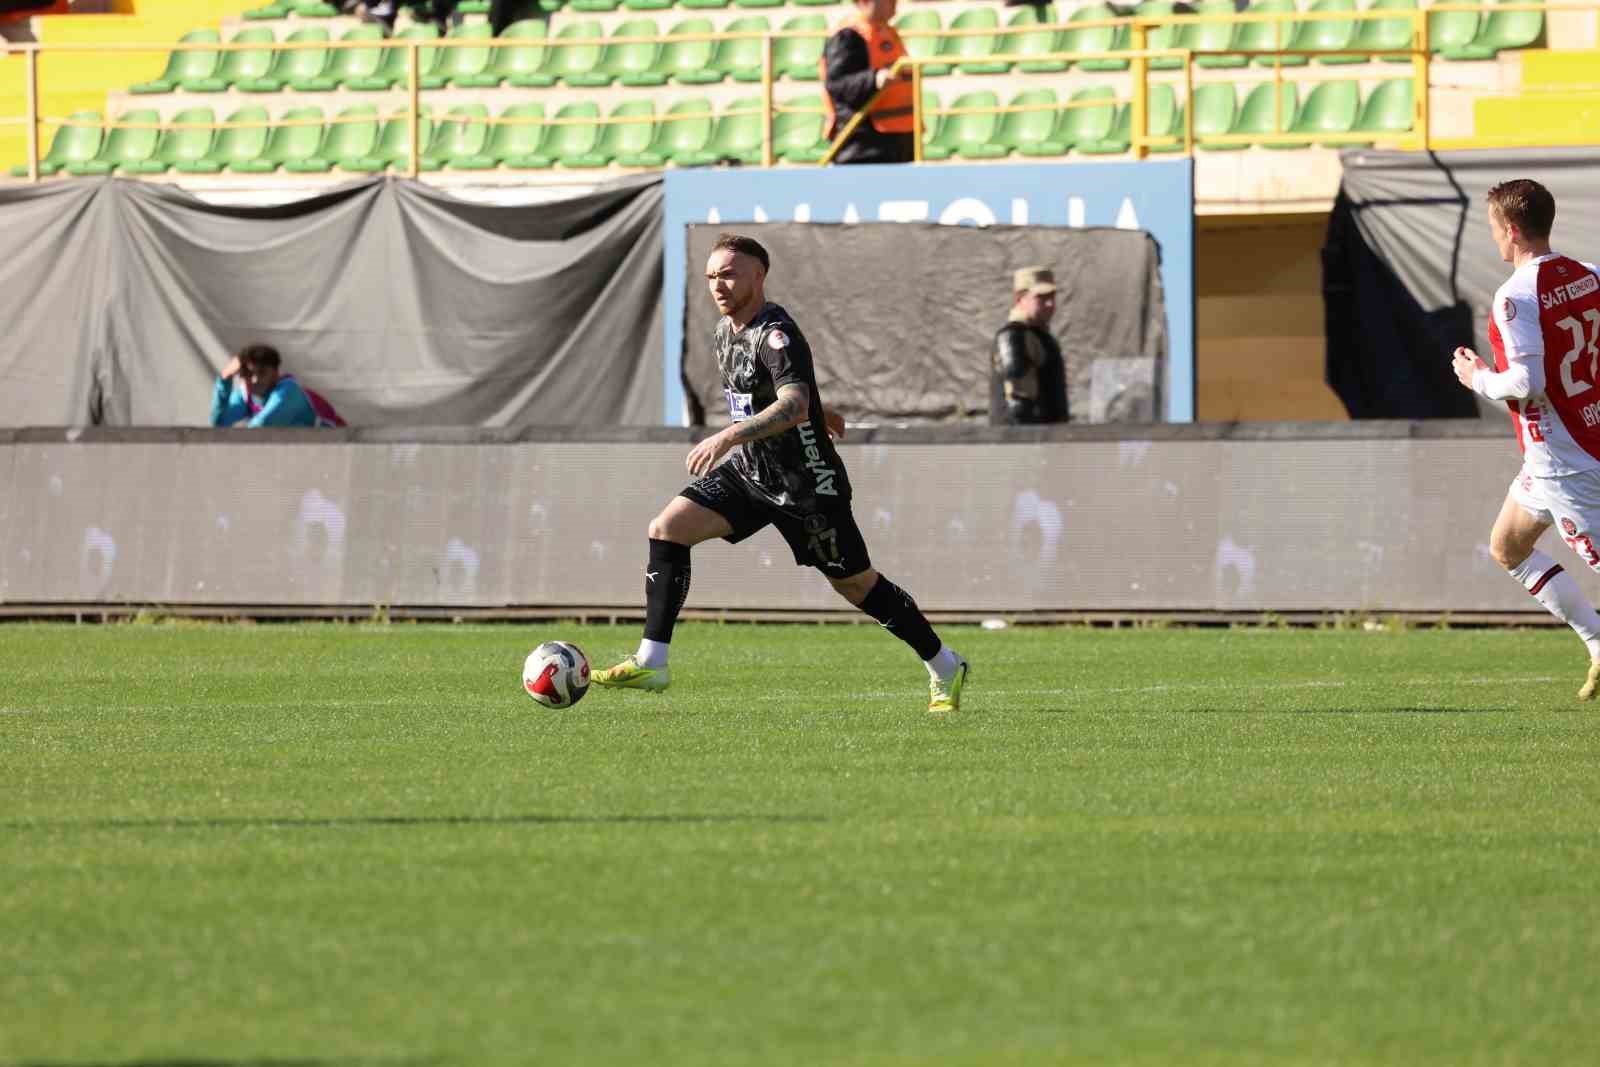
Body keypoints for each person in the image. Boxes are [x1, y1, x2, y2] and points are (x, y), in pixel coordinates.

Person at [592, 233, 970, 713]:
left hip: (807, 486)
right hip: (752, 474)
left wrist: (733, 434)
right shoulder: (725, 331)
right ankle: (652, 662)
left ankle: (944, 664)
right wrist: (821, 410)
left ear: (758, 276)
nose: (718, 285)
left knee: (856, 584)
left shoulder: (776, 334)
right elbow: (783, 393)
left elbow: (792, 403)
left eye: (728, 274)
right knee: (667, 529)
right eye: (711, 276)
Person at [1450, 178, 1600, 699]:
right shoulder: (1588, 275)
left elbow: (1526, 383)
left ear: (1511, 230)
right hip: (1562, 448)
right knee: (1508, 547)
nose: (1494, 240)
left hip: (1567, 462)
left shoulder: (1514, 296)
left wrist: (1478, 378)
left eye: (1494, 230)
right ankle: (1597, 642)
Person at [821, 0, 915, 165]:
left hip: (898, 142)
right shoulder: (848, 36)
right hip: (864, 146)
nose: (895, 3)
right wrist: (874, 79)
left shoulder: (887, 32)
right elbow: (837, 84)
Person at [992, 266, 1068, 426]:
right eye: (1041, 297)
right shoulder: (1015, 336)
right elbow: (1018, 408)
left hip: (1047, 440)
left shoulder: (1039, 336)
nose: (1050, 304)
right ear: (1020, 299)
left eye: (1052, 296)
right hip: (1023, 444)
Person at [210, 343, 344, 429]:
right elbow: (219, 424)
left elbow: (261, 427)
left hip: (337, 448)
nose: (255, 380)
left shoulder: (288, 391)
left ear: (275, 373)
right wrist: (225, 378)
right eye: (249, 374)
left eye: (262, 373)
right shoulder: (246, 395)